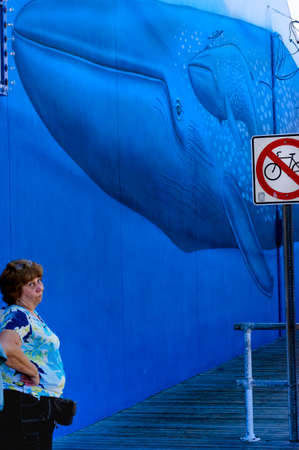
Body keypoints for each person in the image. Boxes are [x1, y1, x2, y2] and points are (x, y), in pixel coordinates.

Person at [0, 259, 66, 450]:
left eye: (39, 281)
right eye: (31, 284)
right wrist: (34, 372)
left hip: (32, 404)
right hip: (25, 404)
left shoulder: (28, 314)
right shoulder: (18, 315)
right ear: (16, 291)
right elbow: (6, 347)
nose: (39, 287)